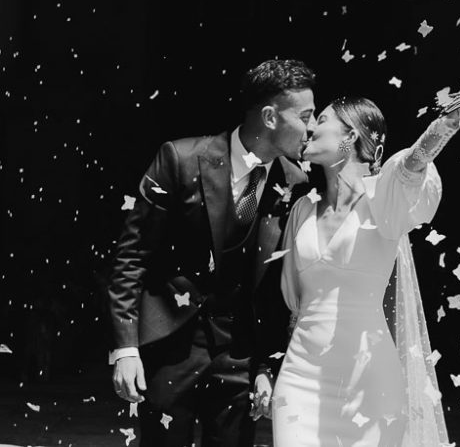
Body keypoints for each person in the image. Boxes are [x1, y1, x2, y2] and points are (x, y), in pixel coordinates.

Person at [271, 74, 460, 447]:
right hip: (299, 377)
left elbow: (415, 161)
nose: (311, 127)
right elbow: (294, 306)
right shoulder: (301, 209)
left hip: (368, 381)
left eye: (323, 119)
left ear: (351, 137)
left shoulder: (384, 200)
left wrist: (456, 114)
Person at [108, 59, 317, 447]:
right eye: (305, 115)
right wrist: (125, 347)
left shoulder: (296, 183)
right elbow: (132, 256)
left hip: (239, 358)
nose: (314, 126)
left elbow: (274, 289)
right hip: (170, 347)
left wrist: (267, 366)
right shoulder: (180, 158)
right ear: (270, 117)